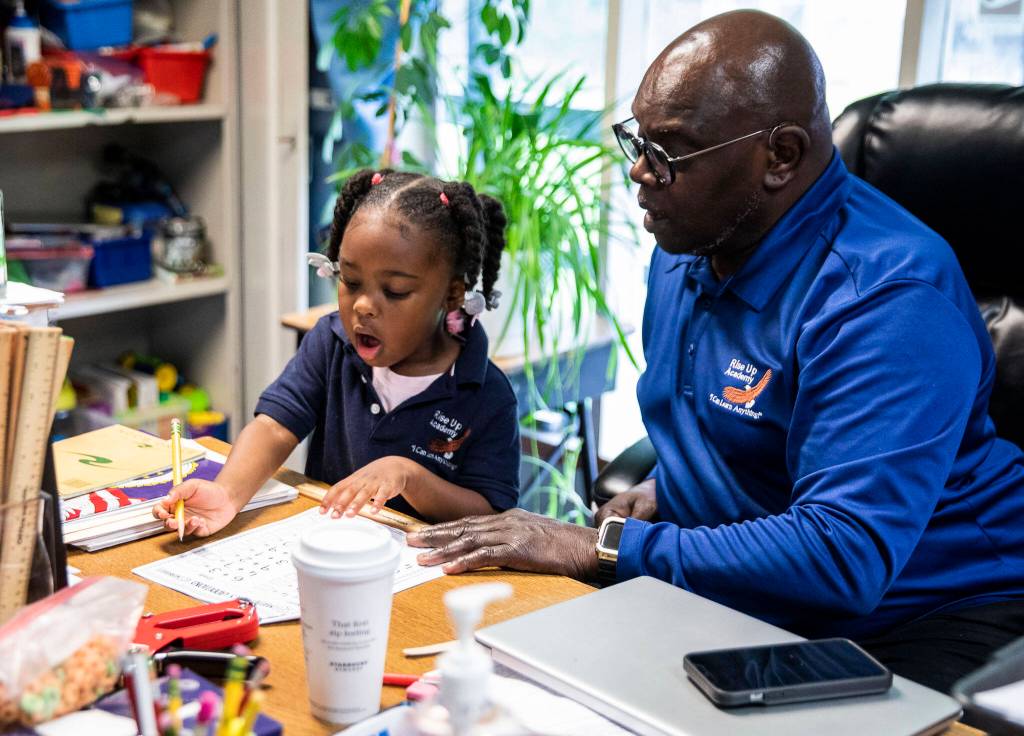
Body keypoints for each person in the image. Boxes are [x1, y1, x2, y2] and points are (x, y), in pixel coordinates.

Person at [408, 10, 1024, 692]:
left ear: (781, 156)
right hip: (756, 595)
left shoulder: (889, 297)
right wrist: (666, 489)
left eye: (670, 151)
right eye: (637, 140)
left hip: (918, 615)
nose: (640, 171)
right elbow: (741, 433)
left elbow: (843, 556)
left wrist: (601, 547)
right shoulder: (691, 243)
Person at [155, 169, 521, 535]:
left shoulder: (486, 393)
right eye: (350, 281)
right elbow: (274, 427)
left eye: (394, 291)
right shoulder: (331, 343)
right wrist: (227, 493)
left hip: (427, 574)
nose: (363, 305)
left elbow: (491, 516)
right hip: (330, 550)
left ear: (452, 294)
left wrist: (408, 475)